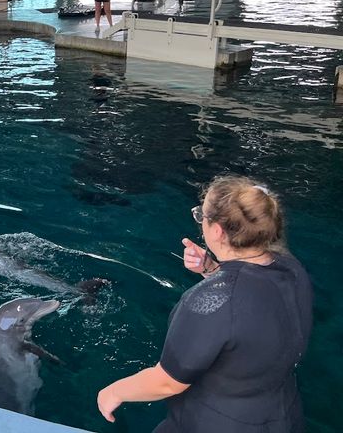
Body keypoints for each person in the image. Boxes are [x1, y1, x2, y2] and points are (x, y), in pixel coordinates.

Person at [97, 175, 313, 432]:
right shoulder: (292, 268)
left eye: (202, 216)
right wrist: (212, 269)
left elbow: (168, 382)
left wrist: (114, 392)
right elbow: (249, 306)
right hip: (283, 418)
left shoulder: (207, 302)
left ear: (218, 230)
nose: (201, 223)